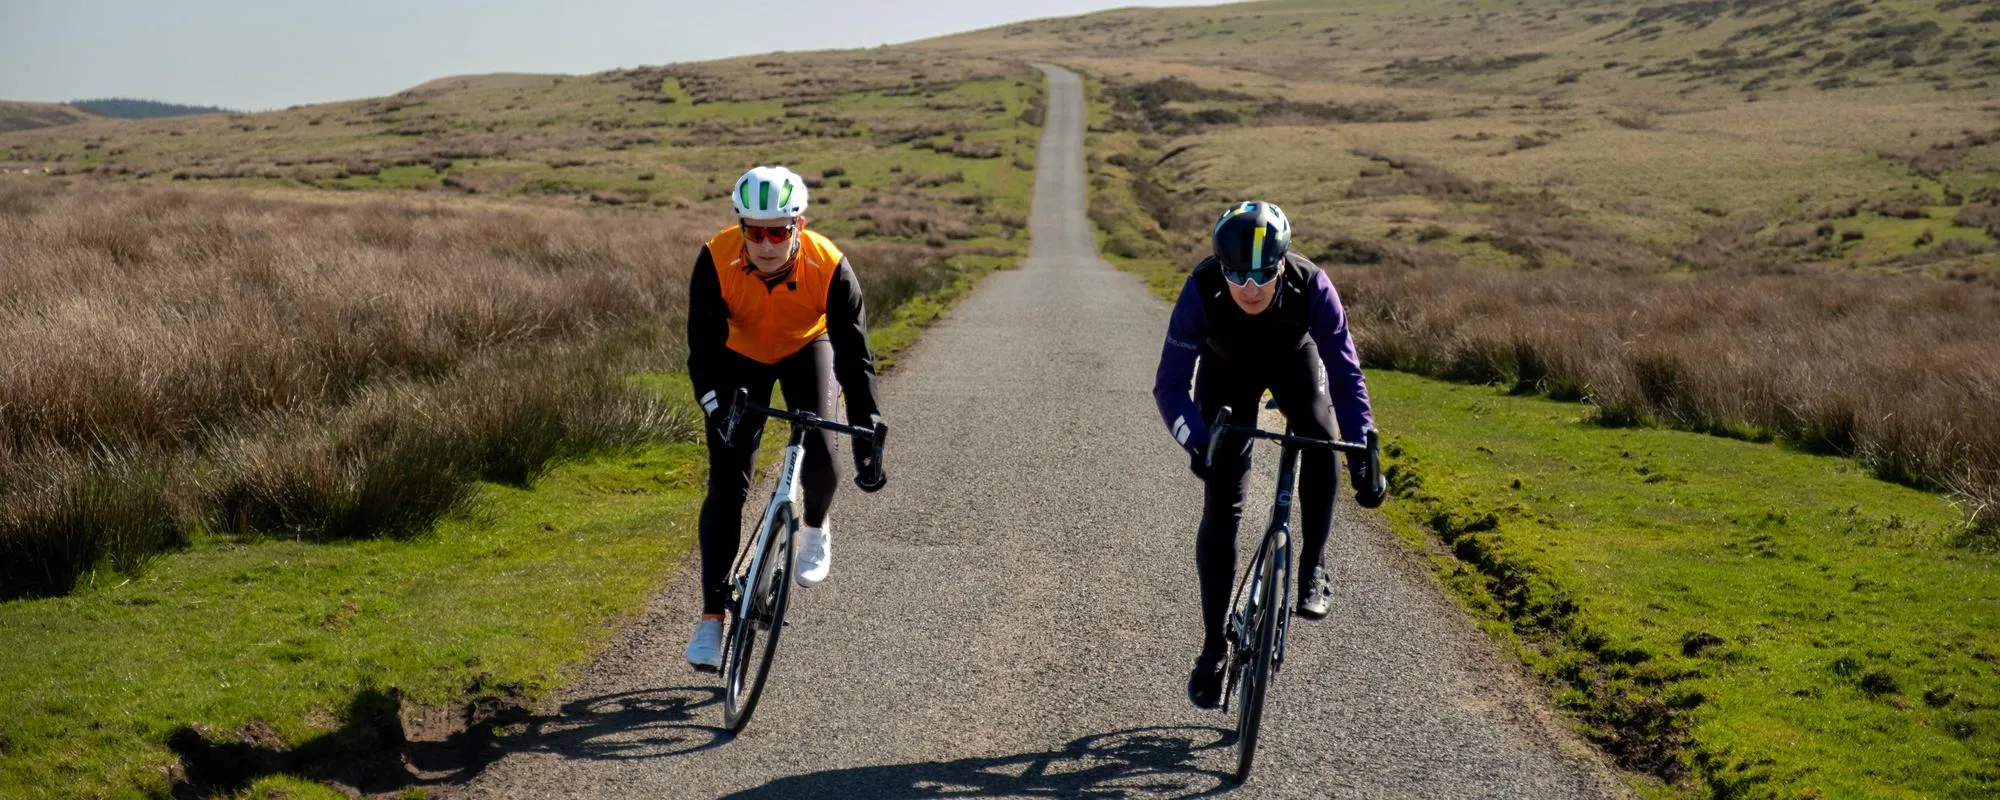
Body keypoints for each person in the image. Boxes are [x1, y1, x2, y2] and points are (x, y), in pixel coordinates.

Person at [1151, 200, 1388, 709]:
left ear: (1282, 263)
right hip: (1225, 376)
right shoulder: (1201, 290)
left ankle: (1313, 566)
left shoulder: (1312, 285)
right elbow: (1169, 386)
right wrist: (1197, 441)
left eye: (1263, 272)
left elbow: (1346, 376)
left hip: (1293, 364)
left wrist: (1364, 454)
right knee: (1222, 506)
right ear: (1222, 267)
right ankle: (1213, 650)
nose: (1251, 287)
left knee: (1321, 434)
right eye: (1238, 273)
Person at [683, 165, 887, 672]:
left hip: (805, 347)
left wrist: (868, 431)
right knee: (727, 482)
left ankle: (815, 526)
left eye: (779, 230)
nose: (768, 243)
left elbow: (855, 359)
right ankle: (712, 618)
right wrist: (715, 407)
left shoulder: (831, 266)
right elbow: (701, 352)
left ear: (800, 224)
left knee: (823, 450)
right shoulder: (715, 258)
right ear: (742, 227)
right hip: (738, 357)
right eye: (756, 231)